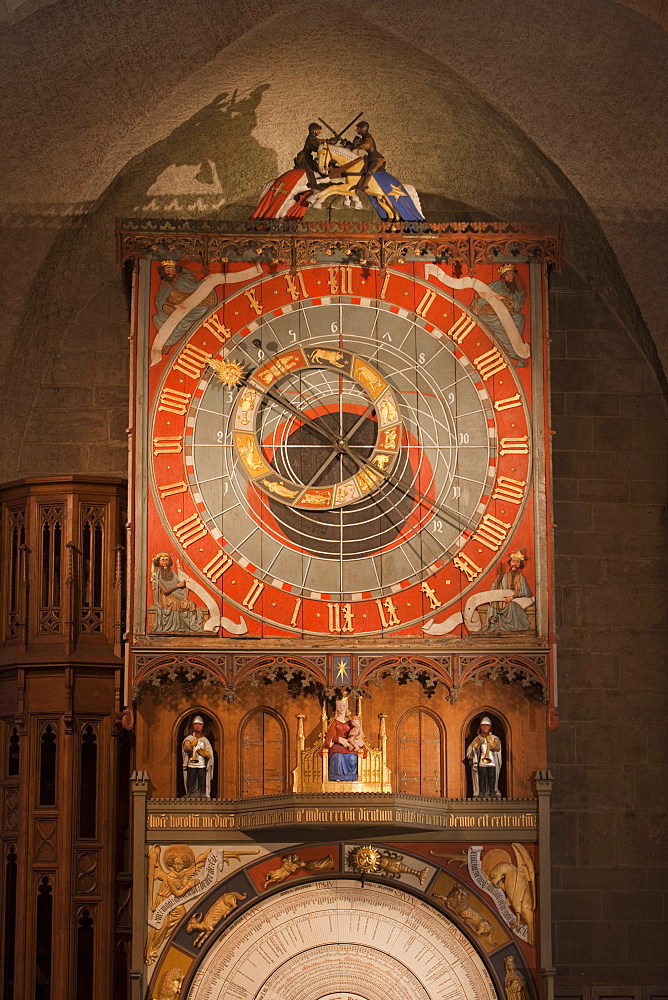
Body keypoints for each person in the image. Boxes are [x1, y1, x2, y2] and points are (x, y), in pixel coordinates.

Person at [152, 260, 217, 351]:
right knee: (160, 319)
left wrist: (204, 280)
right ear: (163, 271)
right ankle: (168, 342)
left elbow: (194, 287)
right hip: (171, 308)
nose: (171, 271)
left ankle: (169, 342)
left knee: (191, 317)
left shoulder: (180, 280)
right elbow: (160, 301)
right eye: (168, 269)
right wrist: (174, 305)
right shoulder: (164, 284)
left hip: (188, 304)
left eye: (173, 269)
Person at [471, 263, 527, 365]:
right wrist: (479, 295)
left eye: (511, 274)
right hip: (489, 314)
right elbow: (481, 293)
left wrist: (503, 299)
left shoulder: (517, 289)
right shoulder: (497, 285)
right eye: (507, 275)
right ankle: (515, 354)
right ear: (503, 277)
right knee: (504, 333)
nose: (509, 277)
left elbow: (517, 306)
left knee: (519, 318)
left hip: (505, 314)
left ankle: (516, 345)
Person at [151, 552, 203, 633]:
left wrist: (182, 571)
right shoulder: (157, 575)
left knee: (190, 603)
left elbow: (183, 582)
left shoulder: (172, 572)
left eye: (167, 560)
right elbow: (165, 591)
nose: (165, 562)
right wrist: (177, 586)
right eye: (163, 560)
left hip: (177, 596)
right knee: (174, 604)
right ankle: (176, 627)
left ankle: (192, 627)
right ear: (158, 562)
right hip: (165, 599)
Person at [483, 550, 532, 632]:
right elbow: (497, 588)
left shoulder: (521, 578)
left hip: (515, 600)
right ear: (510, 563)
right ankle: (493, 624)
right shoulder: (504, 576)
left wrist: (513, 597)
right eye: (513, 561)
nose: (514, 564)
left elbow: (526, 592)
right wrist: (497, 580)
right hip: (503, 599)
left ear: (520, 565)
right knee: (494, 604)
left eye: (517, 562)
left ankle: (513, 626)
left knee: (511, 606)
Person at [324, 697, 366, 781]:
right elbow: (330, 735)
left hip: (349, 744)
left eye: (343, 705)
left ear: (346, 706)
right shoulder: (334, 722)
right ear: (336, 707)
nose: (341, 708)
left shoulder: (350, 721)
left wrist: (355, 738)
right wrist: (339, 739)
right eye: (339, 706)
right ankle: (337, 777)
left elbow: (356, 730)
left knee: (352, 758)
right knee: (337, 757)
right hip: (338, 745)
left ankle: (351, 778)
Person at [343, 121, 386, 192]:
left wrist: (357, 146)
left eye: (358, 128)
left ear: (363, 129)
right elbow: (355, 146)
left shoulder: (368, 138)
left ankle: (363, 187)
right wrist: (348, 145)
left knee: (369, 172)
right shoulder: (363, 138)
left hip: (376, 159)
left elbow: (367, 145)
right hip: (369, 158)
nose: (356, 130)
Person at [466, 716, 502, 798]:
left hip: (492, 761)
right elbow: (471, 749)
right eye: (483, 725)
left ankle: (492, 791)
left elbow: (497, 748)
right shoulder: (478, 738)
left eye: (487, 725)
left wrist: (490, 743)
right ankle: (481, 791)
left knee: (491, 776)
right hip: (482, 761)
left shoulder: (494, 738)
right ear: (480, 727)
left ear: (490, 727)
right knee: (482, 776)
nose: (485, 727)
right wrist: (475, 747)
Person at [182, 715, 214, 798]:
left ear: (202, 726)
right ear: (193, 725)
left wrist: (203, 752)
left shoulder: (205, 740)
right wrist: (190, 746)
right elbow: (186, 748)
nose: (197, 726)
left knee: (201, 777)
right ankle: (189, 792)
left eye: (199, 724)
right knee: (191, 777)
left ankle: (202, 793)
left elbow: (209, 753)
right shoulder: (189, 738)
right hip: (191, 762)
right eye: (195, 724)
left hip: (201, 763)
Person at [293, 122, 323, 190]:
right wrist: (329, 141)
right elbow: (317, 146)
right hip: (305, 156)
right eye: (318, 130)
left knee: (315, 167)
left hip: (308, 155)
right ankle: (313, 185)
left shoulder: (313, 138)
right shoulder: (311, 139)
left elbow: (319, 141)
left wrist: (329, 141)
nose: (320, 132)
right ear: (314, 130)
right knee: (310, 169)